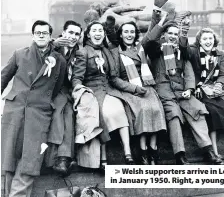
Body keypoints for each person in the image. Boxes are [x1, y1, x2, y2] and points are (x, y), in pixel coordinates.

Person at [142, 2, 222, 165]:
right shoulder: (157, 49)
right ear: (164, 34)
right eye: (170, 33)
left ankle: (208, 151)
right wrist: (159, 21)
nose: (173, 36)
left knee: (198, 110)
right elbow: (147, 41)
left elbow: (189, 72)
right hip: (165, 93)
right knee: (174, 115)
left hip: (182, 92)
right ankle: (180, 155)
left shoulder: (181, 51)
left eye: (175, 34)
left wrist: (190, 89)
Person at [1, 20, 66, 197]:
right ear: (33, 35)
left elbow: (58, 85)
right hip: (15, 112)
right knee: (8, 160)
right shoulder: (19, 54)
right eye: (38, 32)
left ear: (50, 36)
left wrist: (45, 103)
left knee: (29, 162)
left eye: (45, 33)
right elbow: (3, 78)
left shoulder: (59, 60)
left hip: (39, 114)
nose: (41, 35)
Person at [72, 21, 135, 169]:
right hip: (92, 91)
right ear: (88, 34)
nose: (98, 33)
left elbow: (113, 76)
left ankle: (127, 152)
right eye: (94, 30)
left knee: (121, 109)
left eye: (100, 30)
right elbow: (77, 78)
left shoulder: (107, 51)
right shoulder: (83, 52)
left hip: (109, 90)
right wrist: (80, 90)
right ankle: (103, 156)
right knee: (103, 114)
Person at [186, 27, 224, 164]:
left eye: (210, 38)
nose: (208, 41)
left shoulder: (220, 55)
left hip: (216, 91)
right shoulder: (194, 54)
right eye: (205, 39)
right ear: (199, 41)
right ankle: (215, 152)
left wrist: (219, 84)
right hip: (201, 91)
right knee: (212, 112)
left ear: (214, 40)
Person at [113, 21, 167, 165]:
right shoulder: (116, 52)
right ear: (120, 34)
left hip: (146, 84)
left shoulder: (140, 47)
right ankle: (143, 150)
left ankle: (153, 148)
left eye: (132, 32)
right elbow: (115, 79)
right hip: (130, 88)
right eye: (126, 32)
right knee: (143, 109)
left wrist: (160, 17)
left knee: (155, 108)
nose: (129, 35)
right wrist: (134, 88)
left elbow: (152, 33)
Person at [44, 20, 82, 176]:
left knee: (68, 113)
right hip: (48, 90)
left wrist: (77, 89)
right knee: (59, 111)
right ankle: (58, 158)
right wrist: (52, 43)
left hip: (67, 90)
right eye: (70, 33)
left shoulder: (78, 51)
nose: (73, 37)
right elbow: (36, 50)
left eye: (77, 34)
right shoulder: (54, 45)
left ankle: (62, 158)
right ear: (64, 32)